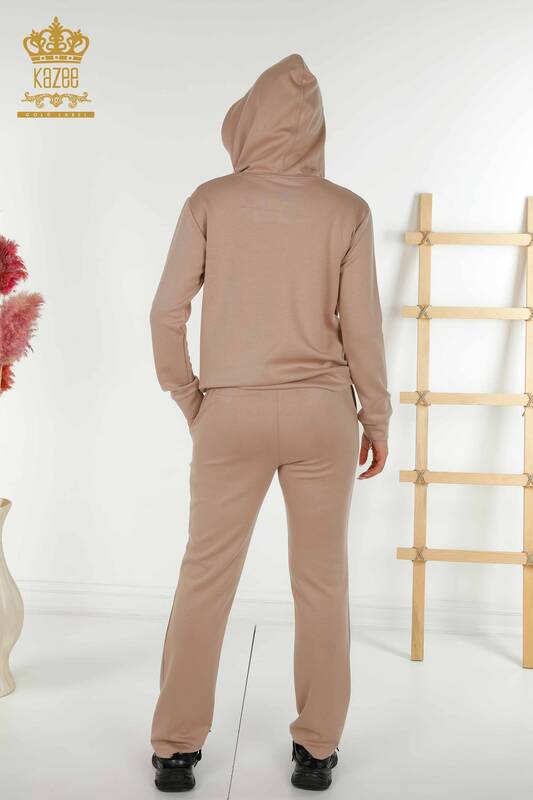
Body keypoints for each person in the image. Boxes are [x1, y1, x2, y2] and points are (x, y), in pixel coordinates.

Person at [149, 52, 392, 793]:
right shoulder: (347, 210)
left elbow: (166, 312)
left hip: (230, 414)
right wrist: (376, 418)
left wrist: (192, 399)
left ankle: (175, 750)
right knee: (321, 581)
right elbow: (364, 329)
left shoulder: (210, 201)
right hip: (324, 417)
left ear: (248, 122)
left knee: (205, 576)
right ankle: (316, 751)